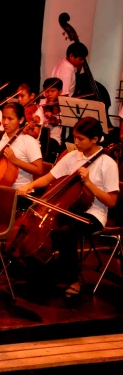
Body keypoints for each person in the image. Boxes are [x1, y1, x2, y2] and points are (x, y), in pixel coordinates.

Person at [17, 117, 118, 298]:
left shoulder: (107, 164)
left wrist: (88, 183)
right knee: (44, 226)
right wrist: (29, 186)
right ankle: (41, 274)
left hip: (93, 213)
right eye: (75, 137)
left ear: (95, 139)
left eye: (81, 139)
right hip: (66, 208)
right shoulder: (72, 157)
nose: (76, 142)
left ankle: (73, 280)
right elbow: (49, 178)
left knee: (65, 232)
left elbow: (111, 201)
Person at [0, 103, 44, 190]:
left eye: (10, 119)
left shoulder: (29, 141)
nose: (5, 122)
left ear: (21, 120)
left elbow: (39, 170)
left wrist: (15, 160)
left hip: (20, 191)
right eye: (3, 118)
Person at [39, 78, 63, 163]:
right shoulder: (42, 103)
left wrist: (52, 118)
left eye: (52, 91)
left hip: (53, 138)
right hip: (40, 137)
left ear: (60, 92)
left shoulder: (63, 106)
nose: (49, 94)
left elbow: (56, 122)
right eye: (47, 91)